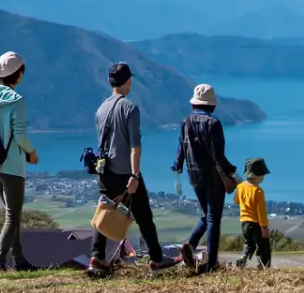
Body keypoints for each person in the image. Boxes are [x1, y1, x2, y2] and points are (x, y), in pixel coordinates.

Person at [89, 62, 167, 279]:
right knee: (144, 215)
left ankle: (96, 258)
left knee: (104, 211)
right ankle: (156, 259)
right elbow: (135, 145)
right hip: (125, 172)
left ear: (109, 82)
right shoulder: (130, 108)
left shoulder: (101, 109)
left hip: (105, 171)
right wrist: (135, 175)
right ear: (128, 82)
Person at [0, 51, 39, 272]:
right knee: (12, 216)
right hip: (12, 165)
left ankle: (20, 261)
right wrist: (31, 152)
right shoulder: (17, 101)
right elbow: (20, 135)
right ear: (19, 74)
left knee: (11, 214)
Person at [172, 83, 237, 275]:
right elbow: (219, 157)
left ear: (194, 104)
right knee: (213, 218)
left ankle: (190, 245)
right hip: (213, 176)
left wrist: (178, 166)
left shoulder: (186, 122)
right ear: (212, 105)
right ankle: (212, 263)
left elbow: (181, 148)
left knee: (207, 214)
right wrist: (232, 171)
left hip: (194, 176)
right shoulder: (214, 124)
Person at [234, 157, 271, 268]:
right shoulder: (258, 191)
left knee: (249, 244)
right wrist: (264, 227)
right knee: (263, 245)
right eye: (263, 175)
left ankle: (243, 258)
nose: (263, 177)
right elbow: (261, 212)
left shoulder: (240, 187)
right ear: (257, 176)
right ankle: (263, 266)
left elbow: (236, 201)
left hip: (244, 222)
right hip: (256, 224)